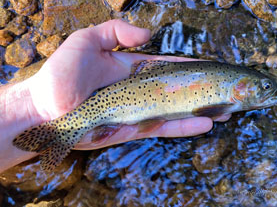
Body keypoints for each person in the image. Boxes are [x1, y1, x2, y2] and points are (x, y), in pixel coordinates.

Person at [0, 20, 230, 173]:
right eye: (267, 89)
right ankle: (58, 133)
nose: (267, 95)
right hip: (115, 104)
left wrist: (30, 106)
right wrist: (35, 103)